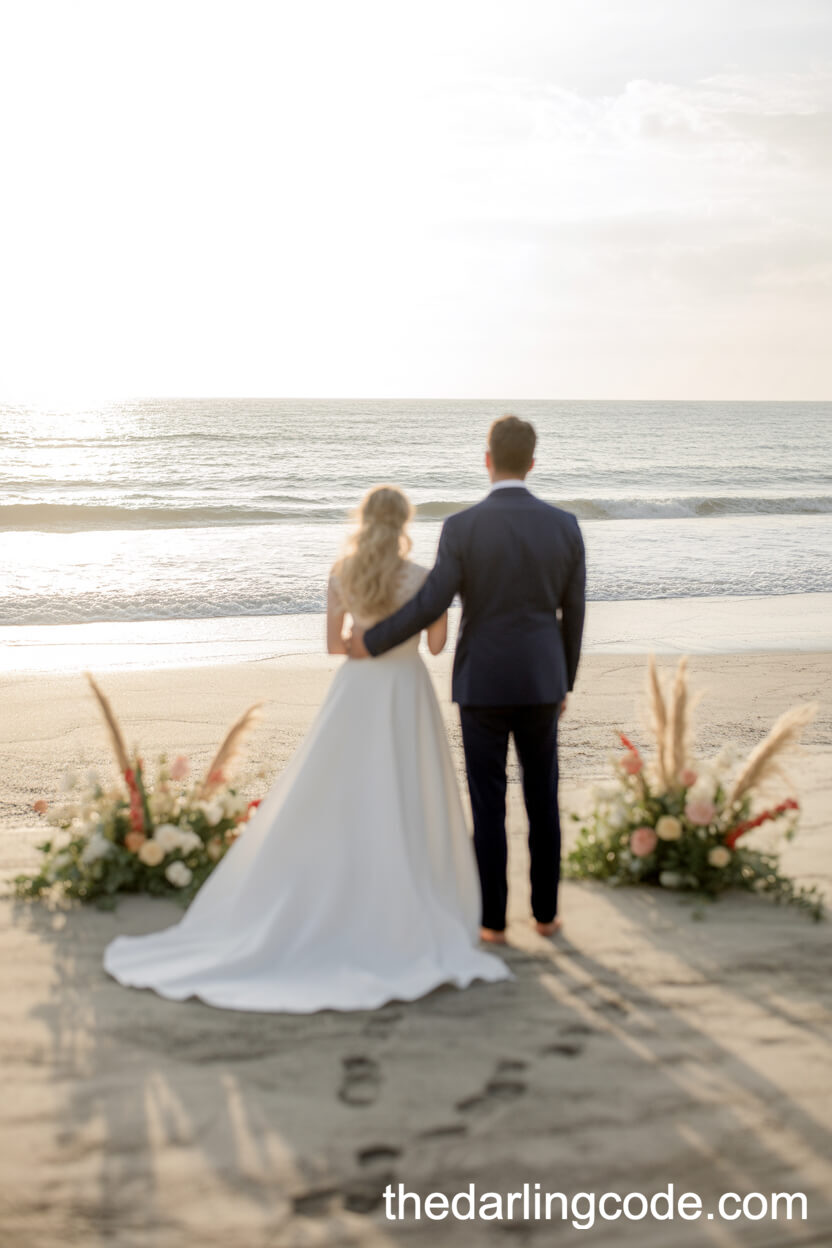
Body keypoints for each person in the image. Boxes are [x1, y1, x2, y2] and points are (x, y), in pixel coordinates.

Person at [103, 485, 511, 1012]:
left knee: (339, 793)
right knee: (404, 791)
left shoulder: (342, 572)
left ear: (363, 520)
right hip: (406, 690)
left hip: (356, 689)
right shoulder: (422, 579)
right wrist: (433, 617)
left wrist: (368, 633)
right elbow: (435, 647)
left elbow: (335, 646)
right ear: (405, 523)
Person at [348, 416, 586, 944]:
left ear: (487, 459)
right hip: (542, 681)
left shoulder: (461, 527)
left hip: (482, 681)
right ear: (531, 462)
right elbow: (574, 612)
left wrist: (373, 639)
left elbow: (433, 602)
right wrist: (564, 681)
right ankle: (546, 916)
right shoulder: (565, 525)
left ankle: (493, 923)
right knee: (543, 798)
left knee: (488, 801)